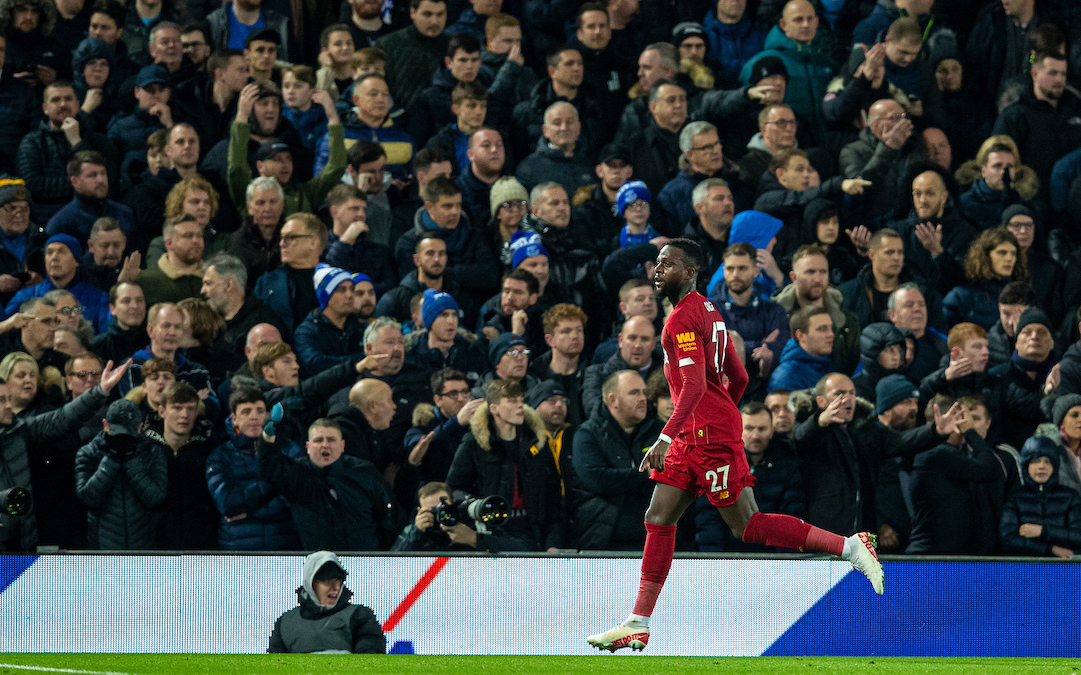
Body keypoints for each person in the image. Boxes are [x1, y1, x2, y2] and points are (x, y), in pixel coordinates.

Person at [586, 238, 886, 653]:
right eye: (655, 263)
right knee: (658, 517)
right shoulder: (710, 311)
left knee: (746, 526)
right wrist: (719, 411)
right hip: (699, 434)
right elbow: (739, 378)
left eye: (667, 264)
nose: (657, 270)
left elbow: (692, 385)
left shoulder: (679, 321)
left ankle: (850, 546)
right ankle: (637, 621)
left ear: (690, 272)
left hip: (704, 438)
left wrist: (668, 434)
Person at [0, 353, 131, 552]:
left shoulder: (20, 431)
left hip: (20, 546)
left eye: (8, 399)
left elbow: (63, 418)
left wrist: (100, 391)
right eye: (1, 401)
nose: (9, 406)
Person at [446, 377, 563, 551]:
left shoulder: (537, 441)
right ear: (494, 408)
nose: (520, 406)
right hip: (492, 533)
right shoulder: (474, 443)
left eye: (521, 400)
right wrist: (479, 509)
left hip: (533, 534)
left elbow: (553, 496)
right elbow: (455, 488)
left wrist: (553, 542)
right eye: (511, 401)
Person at [259, 412, 398, 551]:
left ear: (342, 445)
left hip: (366, 561)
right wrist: (266, 439)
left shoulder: (363, 472)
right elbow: (270, 463)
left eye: (331, 440)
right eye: (318, 440)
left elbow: (389, 513)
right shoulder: (297, 474)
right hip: (321, 566)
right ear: (307, 447)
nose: (325, 445)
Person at [906, 395, 1015, 554]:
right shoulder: (940, 454)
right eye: (965, 419)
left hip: (940, 557)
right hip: (932, 559)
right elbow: (990, 469)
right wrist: (971, 433)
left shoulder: (938, 453)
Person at [572, 370, 662, 550]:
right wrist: (646, 476)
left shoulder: (659, 433)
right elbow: (599, 480)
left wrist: (626, 479)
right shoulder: (588, 434)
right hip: (603, 541)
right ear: (613, 400)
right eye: (634, 393)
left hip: (654, 539)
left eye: (644, 392)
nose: (643, 398)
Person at [74, 398, 168, 550]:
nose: (122, 438)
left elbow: (156, 498)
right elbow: (87, 498)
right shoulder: (89, 453)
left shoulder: (153, 453)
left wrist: (132, 462)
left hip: (144, 549)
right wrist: (111, 460)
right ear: (105, 425)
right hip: (102, 549)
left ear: (140, 427)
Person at [268, 550, 386, 654]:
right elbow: (273, 668)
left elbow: (371, 660)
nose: (335, 587)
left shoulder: (359, 616)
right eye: (326, 581)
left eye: (338, 580)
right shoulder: (286, 622)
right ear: (311, 584)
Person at [999, 436, 1081, 559]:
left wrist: (1043, 531)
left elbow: (1078, 536)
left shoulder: (1070, 496)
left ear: (1055, 466)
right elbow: (1007, 538)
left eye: (1047, 461)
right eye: (1035, 461)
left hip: (1064, 568)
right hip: (1024, 568)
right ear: (1026, 465)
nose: (1042, 466)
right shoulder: (1015, 496)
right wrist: (1050, 549)